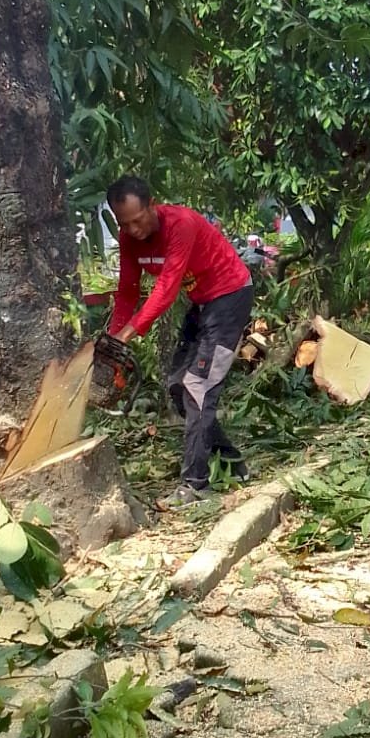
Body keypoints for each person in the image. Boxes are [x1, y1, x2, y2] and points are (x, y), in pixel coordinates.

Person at [107, 176, 254, 508]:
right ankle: (232, 463)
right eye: (124, 224)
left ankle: (195, 485)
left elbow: (167, 288)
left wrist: (129, 332)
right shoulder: (129, 239)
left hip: (230, 297)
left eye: (138, 220)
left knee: (198, 388)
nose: (133, 230)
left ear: (152, 205)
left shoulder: (180, 224)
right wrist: (114, 342)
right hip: (202, 302)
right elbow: (127, 291)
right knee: (177, 385)